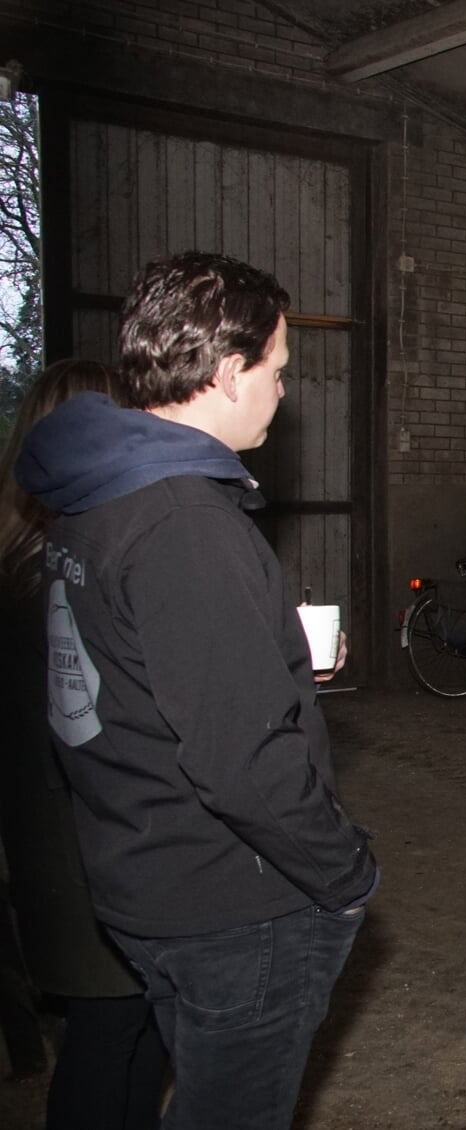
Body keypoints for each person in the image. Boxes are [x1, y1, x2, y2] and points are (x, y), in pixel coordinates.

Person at [15, 252, 377, 1129]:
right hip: (231, 903)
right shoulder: (183, 521)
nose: (283, 393)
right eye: (278, 371)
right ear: (226, 373)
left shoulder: (97, 502)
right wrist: (345, 873)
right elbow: (239, 762)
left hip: (141, 875)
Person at [0, 359, 168, 1127]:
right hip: (79, 845)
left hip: (75, 838)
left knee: (134, 1034)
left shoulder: (45, 559)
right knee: (109, 1037)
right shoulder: (54, 573)